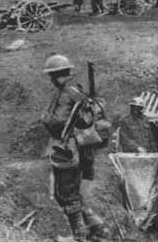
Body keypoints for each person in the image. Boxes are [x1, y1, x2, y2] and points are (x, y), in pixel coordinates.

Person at [41, 54, 109, 242]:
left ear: (55, 75)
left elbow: (58, 124)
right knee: (73, 191)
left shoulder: (65, 94)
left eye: (51, 76)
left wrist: (45, 118)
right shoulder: (77, 90)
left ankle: (79, 235)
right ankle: (97, 226)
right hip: (82, 148)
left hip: (68, 148)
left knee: (66, 193)